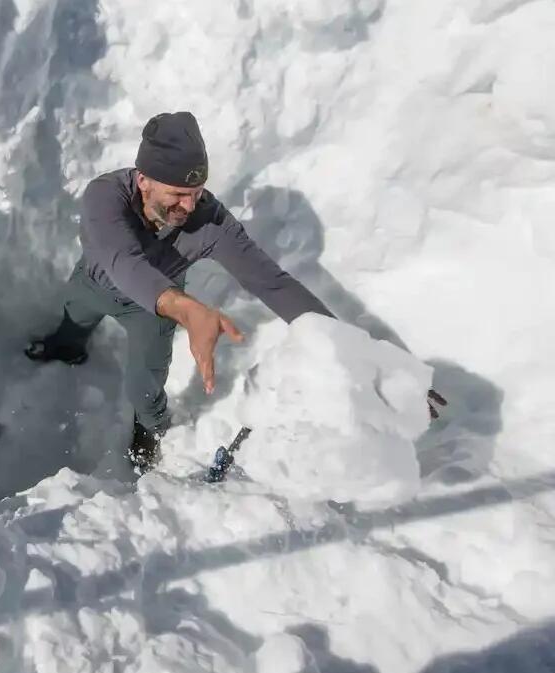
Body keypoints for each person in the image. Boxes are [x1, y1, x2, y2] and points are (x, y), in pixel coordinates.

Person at [26, 111, 446, 474]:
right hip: (95, 282)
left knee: (144, 388)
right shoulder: (105, 195)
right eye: (177, 194)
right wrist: (190, 311)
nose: (188, 207)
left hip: (152, 314)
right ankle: (68, 349)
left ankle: (149, 433)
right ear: (144, 181)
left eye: (195, 194)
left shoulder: (208, 220)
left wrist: (371, 364)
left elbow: (273, 284)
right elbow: (123, 261)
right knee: (73, 319)